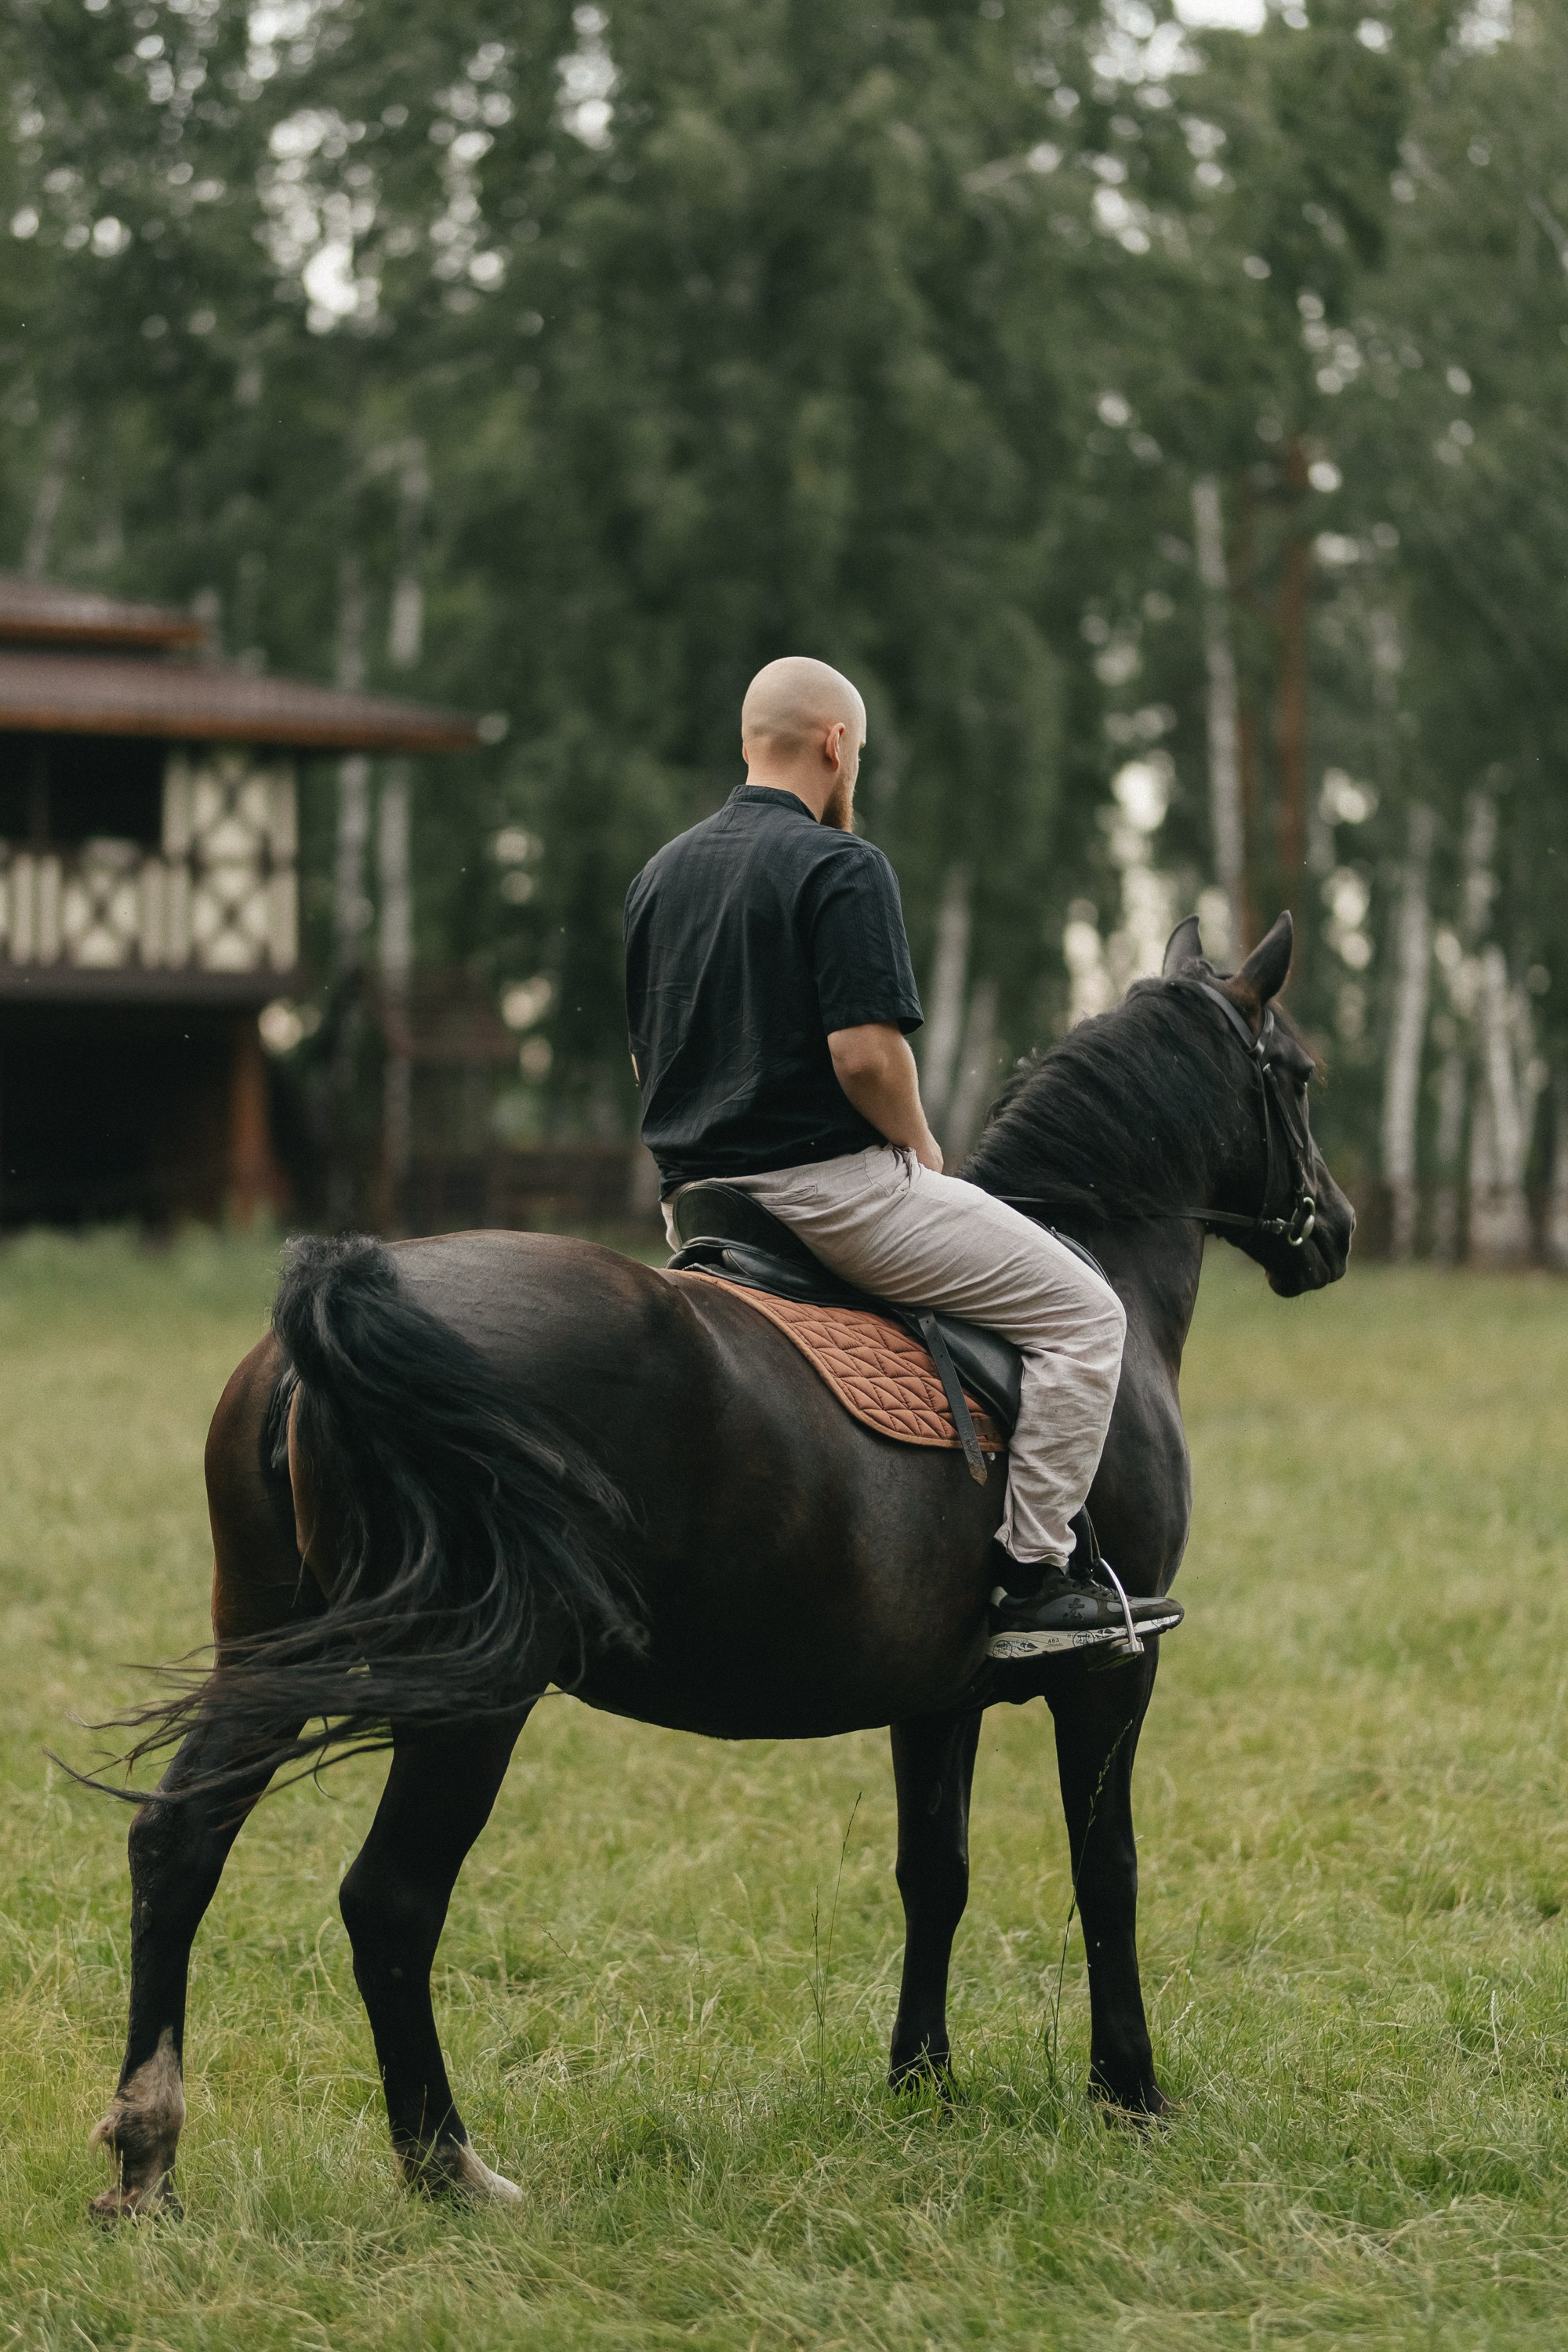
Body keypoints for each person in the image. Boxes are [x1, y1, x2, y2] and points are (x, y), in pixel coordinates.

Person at [622, 655, 1179, 1658]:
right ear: (837, 745)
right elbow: (864, 1054)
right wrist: (916, 1145)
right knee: (1087, 1315)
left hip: (698, 1207)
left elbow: (644, 1055)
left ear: (750, 741)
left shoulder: (658, 876)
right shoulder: (841, 865)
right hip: (832, 1196)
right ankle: (1032, 1580)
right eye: (858, 751)